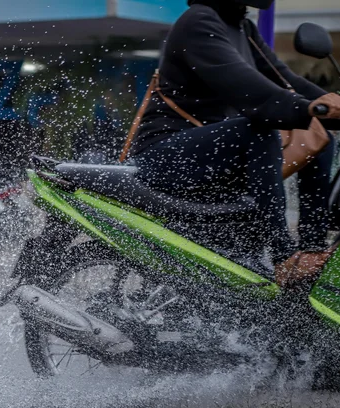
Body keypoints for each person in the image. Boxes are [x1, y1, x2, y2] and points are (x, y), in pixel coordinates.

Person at [129, 0, 340, 289]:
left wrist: (328, 106)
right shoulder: (198, 21)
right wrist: (309, 108)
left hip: (212, 158)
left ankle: (312, 248)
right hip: (165, 155)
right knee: (257, 129)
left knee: (319, 135)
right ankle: (284, 257)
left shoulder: (244, 27)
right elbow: (248, 87)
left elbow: (286, 80)